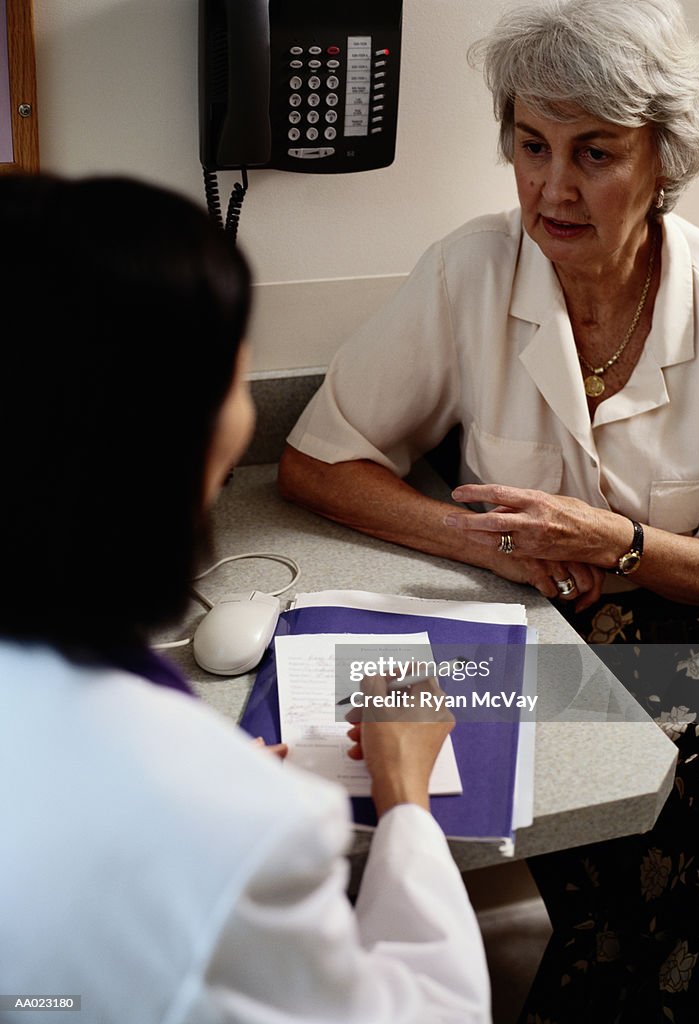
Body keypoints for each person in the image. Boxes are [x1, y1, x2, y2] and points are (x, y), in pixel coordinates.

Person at [278, 0, 699, 1020]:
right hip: (524, 635)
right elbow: (316, 462)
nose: (552, 186)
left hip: (698, 649)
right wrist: (473, 536)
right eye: (532, 146)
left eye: (595, 153)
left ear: (664, 161)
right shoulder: (471, 268)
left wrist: (617, 543)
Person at [0, 173, 491, 1024]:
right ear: (166, 440)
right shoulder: (230, 826)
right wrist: (403, 796)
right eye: (234, 378)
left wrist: (199, 778)